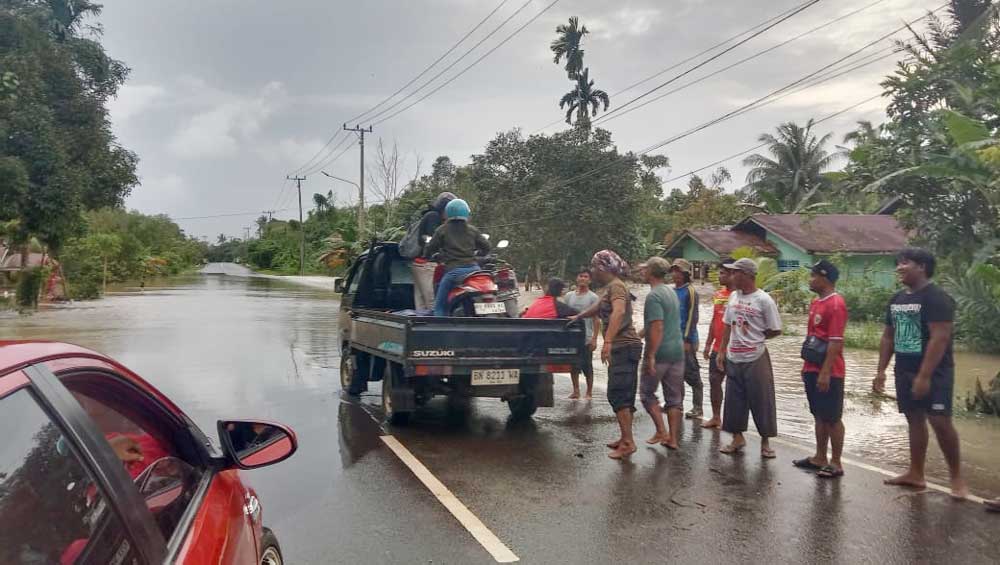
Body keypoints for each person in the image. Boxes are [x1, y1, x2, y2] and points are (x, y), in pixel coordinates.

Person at [874, 248, 967, 498]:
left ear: (922, 267)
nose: (899, 267)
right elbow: (888, 337)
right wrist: (881, 371)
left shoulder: (937, 298)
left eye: (905, 263)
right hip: (904, 369)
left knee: (940, 421)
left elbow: (940, 338)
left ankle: (956, 478)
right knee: (914, 419)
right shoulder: (896, 299)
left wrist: (924, 376)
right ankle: (916, 473)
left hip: (936, 372)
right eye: (898, 263)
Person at [570, 250, 643, 460]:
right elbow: (598, 307)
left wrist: (607, 342)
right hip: (624, 347)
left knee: (618, 394)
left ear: (603, 268)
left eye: (594, 267)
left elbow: (618, 312)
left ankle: (628, 443)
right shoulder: (611, 287)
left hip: (624, 346)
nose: (592, 271)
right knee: (622, 394)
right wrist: (579, 316)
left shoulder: (617, 287)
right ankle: (625, 438)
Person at [717, 258, 782, 459]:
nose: (731, 276)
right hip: (734, 356)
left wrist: (756, 338)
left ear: (746, 275)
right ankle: (737, 438)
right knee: (734, 400)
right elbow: (728, 325)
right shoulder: (733, 297)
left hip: (756, 357)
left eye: (735, 272)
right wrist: (721, 351)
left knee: (762, 400)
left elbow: (775, 329)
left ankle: (765, 442)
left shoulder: (764, 300)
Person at [793, 260, 848, 479]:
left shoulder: (836, 304)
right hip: (812, 366)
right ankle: (819, 457)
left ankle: (836, 462)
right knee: (818, 414)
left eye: (813, 276)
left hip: (830, 371)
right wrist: (806, 367)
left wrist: (825, 372)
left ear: (824, 278)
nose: (810, 280)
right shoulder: (816, 303)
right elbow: (812, 337)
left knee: (832, 417)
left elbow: (835, 341)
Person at [639, 257, 686, 449]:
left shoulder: (653, 296)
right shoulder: (671, 292)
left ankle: (661, 430)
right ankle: (672, 439)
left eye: (645, 269)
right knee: (674, 398)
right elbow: (658, 322)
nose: (642, 272)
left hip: (660, 353)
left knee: (647, 393)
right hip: (677, 351)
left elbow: (657, 326)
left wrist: (650, 355)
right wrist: (638, 334)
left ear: (651, 272)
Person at [424, 198, 491, 317]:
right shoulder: (472, 230)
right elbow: (487, 247)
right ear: (466, 212)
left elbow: (430, 248)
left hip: (454, 272)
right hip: (474, 270)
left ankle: (440, 324)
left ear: (447, 213)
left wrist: (428, 256)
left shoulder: (442, 229)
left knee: (439, 305)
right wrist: (479, 253)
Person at [701, 258, 733, 429]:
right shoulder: (718, 295)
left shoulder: (739, 296)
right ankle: (715, 417)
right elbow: (714, 320)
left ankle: (733, 422)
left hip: (734, 350)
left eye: (723, 273)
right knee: (714, 381)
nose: (720, 276)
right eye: (720, 273)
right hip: (717, 347)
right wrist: (708, 343)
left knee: (735, 387)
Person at [410, 192, 456, 310]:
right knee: (432, 300)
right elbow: (432, 240)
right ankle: (434, 321)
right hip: (427, 264)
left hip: (419, 263)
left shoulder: (431, 215)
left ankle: (421, 320)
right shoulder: (433, 217)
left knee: (421, 300)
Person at [671, 259, 703, 419]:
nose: (675, 274)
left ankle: (698, 407)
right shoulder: (672, 291)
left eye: (678, 271)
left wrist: (687, 340)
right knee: (676, 374)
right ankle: (678, 404)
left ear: (685, 274)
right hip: (673, 339)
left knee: (692, 374)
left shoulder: (690, 291)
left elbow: (692, 317)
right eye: (674, 271)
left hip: (686, 339)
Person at [563, 269, 601, 399]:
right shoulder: (569, 296)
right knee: (573, 365)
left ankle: (589, 392)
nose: (583, 279)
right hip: (571, 336)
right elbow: (565, 316)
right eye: (581, 276)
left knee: (587, 365)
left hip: (586, 337)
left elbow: (596, 320)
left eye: (586, 277)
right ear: (577, 278)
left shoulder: (593, 297)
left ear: (590, 280)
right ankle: (576, 391)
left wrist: (594, 339)